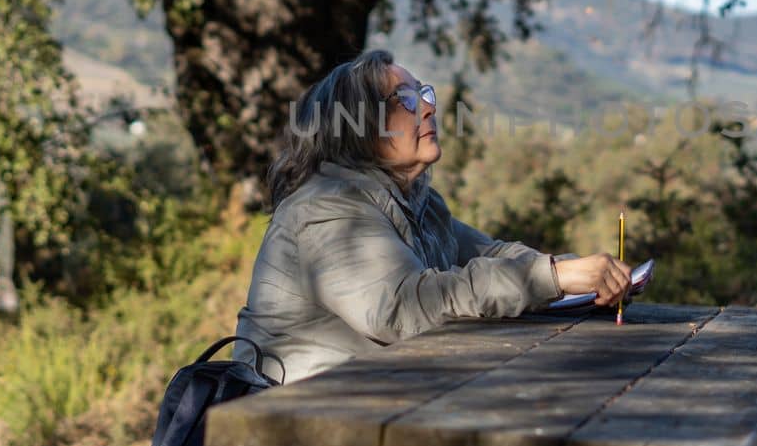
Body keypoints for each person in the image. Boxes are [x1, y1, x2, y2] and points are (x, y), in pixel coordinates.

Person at [233, 48, 632, 384]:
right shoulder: (326, 210)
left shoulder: (416, 202)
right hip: (294, 433)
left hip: (374, 405)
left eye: (423, 94)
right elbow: (404, 307)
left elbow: (491, 253)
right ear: (356, 127)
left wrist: (576, 276)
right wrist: (553, 278)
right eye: (404, 100)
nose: (428, 107)